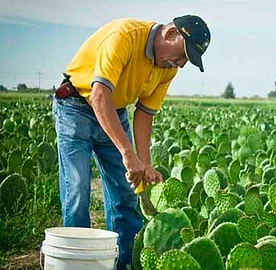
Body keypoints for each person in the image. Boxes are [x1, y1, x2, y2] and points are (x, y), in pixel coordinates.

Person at [52, 15, 211, 269]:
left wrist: (144, 164)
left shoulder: (167, 68)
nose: (180, 65)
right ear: (170, 34)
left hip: (115, 110)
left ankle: (125, 263)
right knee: (78, 190)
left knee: (126, 192)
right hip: (76, 105)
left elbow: (145, 113)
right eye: (182, 55)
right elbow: (99, 94)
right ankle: (77, 264)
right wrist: (128, 153)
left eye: (186, 61)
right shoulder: (125, 37)